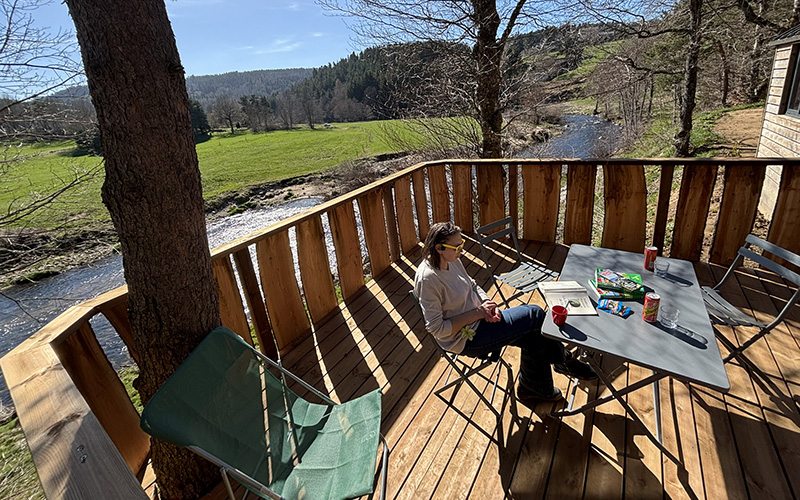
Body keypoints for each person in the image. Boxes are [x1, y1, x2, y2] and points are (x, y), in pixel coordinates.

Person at [413, 221, 596, 406]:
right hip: (465, 339)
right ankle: (563, 360)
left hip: (481, 319)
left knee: (535, 335)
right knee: (535, 314)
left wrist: (487, 304)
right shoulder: (429, 279)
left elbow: (473, 286)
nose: (462, 250)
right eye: (457, 247)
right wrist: (478, 313)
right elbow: (437, 329)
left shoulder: (451, 260)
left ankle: (534, 388)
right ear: (439, 248)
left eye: (462, 244)